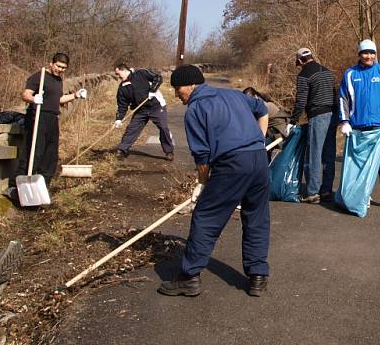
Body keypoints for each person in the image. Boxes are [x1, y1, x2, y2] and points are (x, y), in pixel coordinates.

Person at [159, 65, 271, 298]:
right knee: (257, 215)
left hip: (232, 164)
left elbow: (202, 157)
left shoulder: (196, 110)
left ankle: (189, 278)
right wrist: (259, 140)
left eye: (178, 88)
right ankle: (257, 276)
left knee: (207, 217)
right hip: (259, 160)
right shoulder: (233, 94)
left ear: (190, 85)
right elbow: (263, 109)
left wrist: (202, 183)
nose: (177, 93)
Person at [7, 53, 87, 197]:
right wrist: (34, 99)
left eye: (64, 68)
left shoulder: (58, 80)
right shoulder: (39, 76)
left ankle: (43, 187)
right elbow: (25, 94)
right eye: (58, 66)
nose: (60, 69)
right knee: (33, 152)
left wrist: (76, 95)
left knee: (51, 155)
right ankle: (15, 188)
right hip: (37, 116)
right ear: (51, 63)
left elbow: (59, 99)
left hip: (52, 118)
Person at [338, 39, 380, 211]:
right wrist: (344, 121)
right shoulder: (350, 74)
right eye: (365, 53)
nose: (369, 56)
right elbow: (343, 99)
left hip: (379, 127)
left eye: (372, 53)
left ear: (375, 54)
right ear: (359, 55)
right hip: (357, 127)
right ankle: (362, 194)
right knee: (357, 163)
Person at [288, 47, 338, 204]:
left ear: (300, 60)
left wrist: (293, 120)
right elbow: (335, 94)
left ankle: (312, 193)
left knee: (314, 155)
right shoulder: (328, 71)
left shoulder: (304, 75)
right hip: (333, 115)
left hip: (318, 116)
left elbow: (301, 101)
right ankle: (326, 190)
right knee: (329, 154)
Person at [112, 64, 174, 161]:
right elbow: (122, 106)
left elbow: (158, 78)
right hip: (140, 109)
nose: (117, 77)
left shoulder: (141, 73)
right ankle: (122, 150)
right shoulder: (122, 88)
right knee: (132, 129)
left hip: (156, 106)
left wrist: (153, 90)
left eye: (118, 74)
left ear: (124, 70)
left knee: (163, 127)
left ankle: (169, 151)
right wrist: (119, 119)